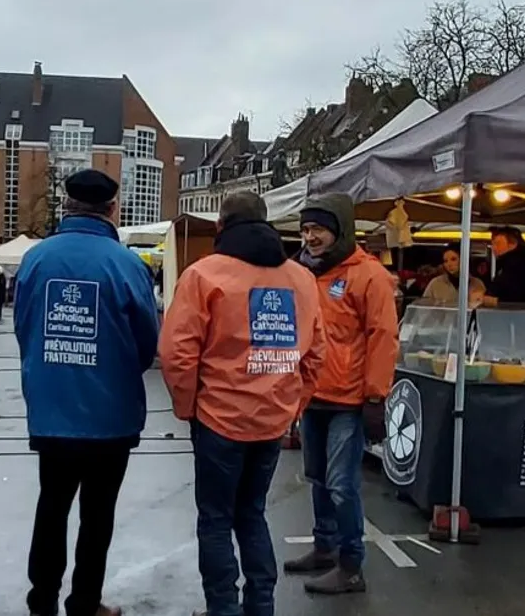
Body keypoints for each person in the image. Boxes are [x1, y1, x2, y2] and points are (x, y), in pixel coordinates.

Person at [159, 192, 325, 616]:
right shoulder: (301, 279)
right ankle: (261, 606)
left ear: (221, 226)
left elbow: (178, 353)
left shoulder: (203, 276)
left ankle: (223, 609)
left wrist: (188, 407)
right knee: (252, 514)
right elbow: (316, 353)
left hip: (218, 418)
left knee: (215, 520)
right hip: (272, 420)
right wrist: (293, 405)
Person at [14, 169, 158, 616]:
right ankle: (85, 602)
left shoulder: (37, 259)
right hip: (109, 414)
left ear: (67, 204)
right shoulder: (127, 264)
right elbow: (147, 340)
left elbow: (24, 329)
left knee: (51, 505)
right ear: (112, 208)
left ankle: (42, 601)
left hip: (53, 410)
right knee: (98, 514)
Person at [284, 193, 399, 594]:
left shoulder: (369, 275)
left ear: (340, 229)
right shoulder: (304, 270)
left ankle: (351, 566)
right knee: (316, 477)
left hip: (349, 398)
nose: (310, 237)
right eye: (305, 229)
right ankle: (324, 547)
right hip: (313, 393)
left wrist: (375, 396)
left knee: (340, 483)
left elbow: (383, 336)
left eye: (317, 229)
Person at [482, 226, 525, 307]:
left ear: (513, 244)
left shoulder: (517, 267)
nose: (494, 248)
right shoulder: (507, 265)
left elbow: (517, 297)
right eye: (492, 244)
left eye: (498, 243)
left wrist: (496, 301)